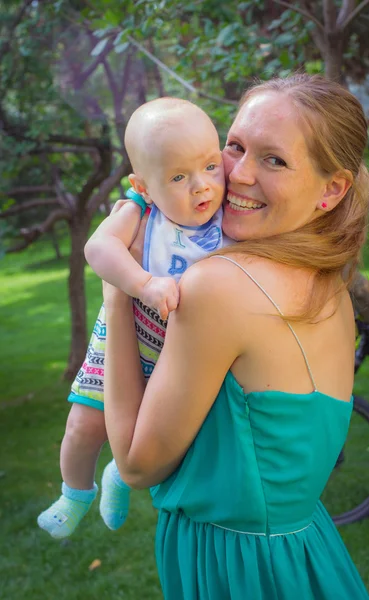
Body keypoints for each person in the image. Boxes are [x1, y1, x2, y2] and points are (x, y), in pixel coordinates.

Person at [101, 74, 369, 599]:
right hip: (307, 552)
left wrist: (117, 295)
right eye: (236, 146)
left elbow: (136, 464)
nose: (239, 174)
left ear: (332, 189)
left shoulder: (219, 286)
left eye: (274, 160)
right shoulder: (329, 284)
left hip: (240, 571)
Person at [37, 97, 227, 539]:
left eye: (211, 166)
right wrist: (142, 283)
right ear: (142, 185)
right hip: (126, 334)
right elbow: (97, 250)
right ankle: (74, 492)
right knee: (85, 423)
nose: (201, 186)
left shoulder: (228, 213)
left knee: (170, 436)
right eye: (178, 177)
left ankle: (120, 476)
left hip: (179, 351)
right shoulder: (139, 211)